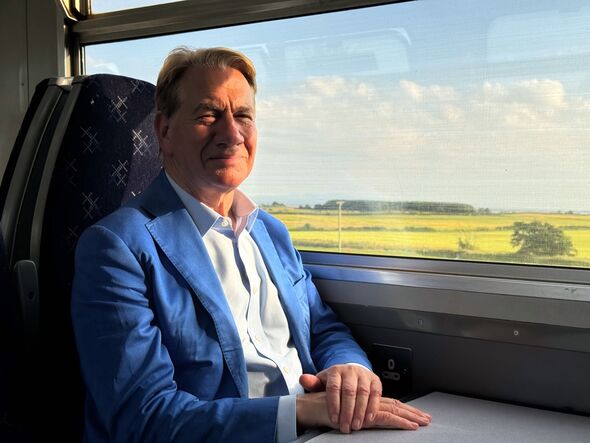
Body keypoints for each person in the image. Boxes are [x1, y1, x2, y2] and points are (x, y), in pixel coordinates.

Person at [71, 47, 431, 442]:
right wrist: (300, 412)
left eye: (243, 116)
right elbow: (144, 418)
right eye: (208, 115)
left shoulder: (270, 232)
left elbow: (323, 328)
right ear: (165, 132)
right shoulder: (116, 247)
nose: (231, 134)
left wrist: (350, 371)